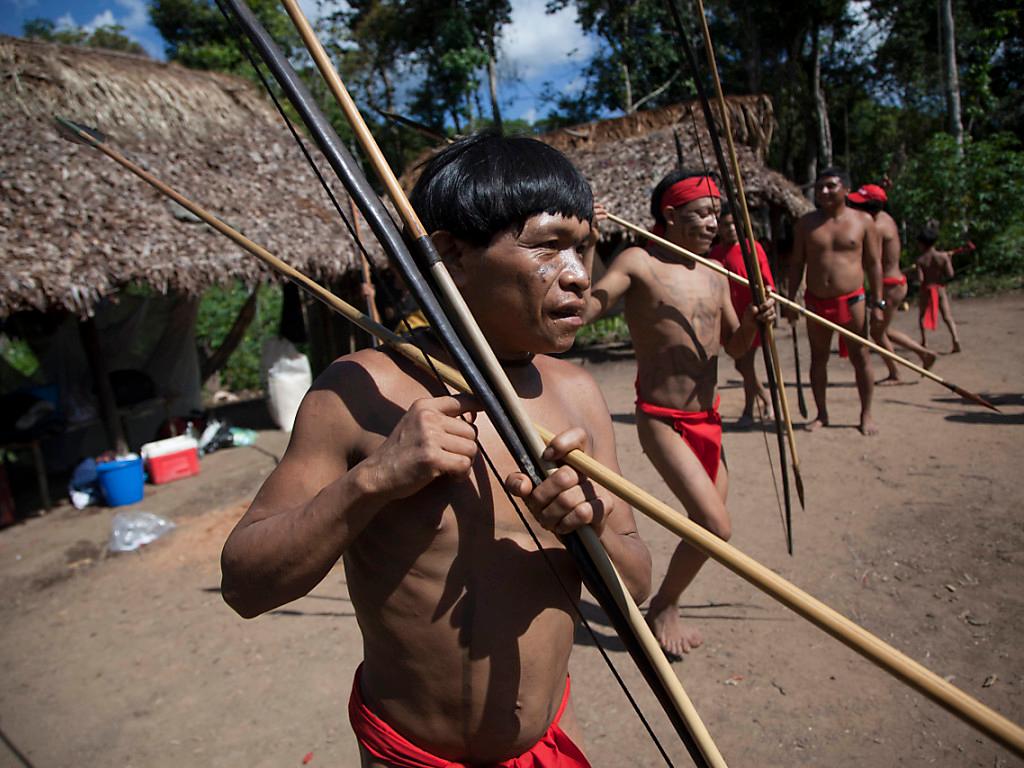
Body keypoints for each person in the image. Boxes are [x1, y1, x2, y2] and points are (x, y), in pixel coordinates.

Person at [220, 133, 652, 768]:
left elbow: (637, 584)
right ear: (449, 253)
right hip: (411, 755)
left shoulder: (580, 394)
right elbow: (244, 585)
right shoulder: (361, 389)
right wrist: (375, 480)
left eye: (584, 248)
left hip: (544, 744)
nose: (580, 275)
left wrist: (588, 530)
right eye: (548, 246)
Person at [582, 171, 774, 659]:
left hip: (709, 419)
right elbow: (585, 311)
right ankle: (664, 604)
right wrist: (586, 245)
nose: (715, 223)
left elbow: (734, 345)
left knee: (708, 529)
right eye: (703, 214)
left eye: (716, 213)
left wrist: (754, 320)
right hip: (662, 418)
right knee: (715, 525)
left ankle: (666, 604)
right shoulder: (639, 263)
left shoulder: (715, 272)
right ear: (669, 215)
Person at [784, 168, 883, 435]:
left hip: (852, 301)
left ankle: (866, 413)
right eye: (819, 187)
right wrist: (790, 298)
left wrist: (879, 303)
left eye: (830, 186)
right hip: (816, 302)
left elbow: (874, 264)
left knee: (861, 357)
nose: (824, 192)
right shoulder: (806, 224)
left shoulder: (863, 221)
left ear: (846, 189)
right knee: (818, 359)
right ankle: (821, 414)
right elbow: (796, 263)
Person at [846, 183, 937, 384]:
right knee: (882, 330)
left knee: (877, 332)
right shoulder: (886, 218)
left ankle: (896, 372)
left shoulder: (875, 227)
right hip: (894, 282)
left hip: (888, 284)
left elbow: (873, 261)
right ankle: (923, 354)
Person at [708, 207, 776, 426]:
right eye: (725, 224)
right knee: (742, 364)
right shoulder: (715, 253)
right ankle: (765, 401)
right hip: (729, 318)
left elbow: (767, 283)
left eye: (733, 224)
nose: (729, 229)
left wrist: (767, 301)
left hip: (751, 317)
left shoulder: (752, 248)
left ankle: (751, 409)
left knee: (745, 364)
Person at [915, 221, 967, 353]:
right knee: (947, 316)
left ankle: (924, 342)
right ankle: (955, 339)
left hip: (926, 289)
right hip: (939, 288)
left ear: (922, 243)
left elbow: (920, 279)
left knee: (921, 317)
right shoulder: (942, 257)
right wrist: (947, 261)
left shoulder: (920, 260)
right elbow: (950, 274)